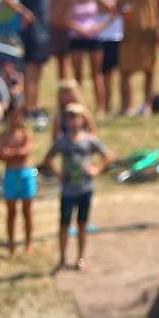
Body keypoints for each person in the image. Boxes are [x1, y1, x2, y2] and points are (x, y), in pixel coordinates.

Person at [43, 102, 110, 272]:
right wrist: (58, 174)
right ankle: (62, 260)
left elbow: (107, 155)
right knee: (64, 225)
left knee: (82, 224)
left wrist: (97, 169)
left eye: (76, 118)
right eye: (70, 118)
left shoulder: (89, 140)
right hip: (67, 190)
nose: (73, 122)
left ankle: (80, 259)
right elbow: (47, 159)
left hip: (84, 189)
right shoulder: (62, 141)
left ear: (82, 120)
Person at [3, 0, 54, 116]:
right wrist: (24, 12)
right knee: (30, 73)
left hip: (44, 34)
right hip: (32, 35)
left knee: (38, 74)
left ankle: (34, 106)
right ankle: (28, 108)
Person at [117, 0, 159, 115]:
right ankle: (126, 106)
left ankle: (147, 104)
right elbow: (118, 6)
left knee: (149, 70)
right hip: (129, 32)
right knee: (125, 71)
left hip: (148, 30)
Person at [64, 0, 106, 114]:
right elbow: (65, 19)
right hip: (76, 38)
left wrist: (100, 27)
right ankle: (79, 107)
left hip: (93, 38)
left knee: (96, 74)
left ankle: (101, 108)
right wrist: (78, 28)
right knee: (78, 76)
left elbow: (113, 10)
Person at [0, 104, 35, 257]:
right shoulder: (2, 136)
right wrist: (16, 153)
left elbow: (26, 151)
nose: (16, 119)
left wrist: (11, 152)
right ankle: (11, 244)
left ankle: (28, 243)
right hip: (11, 175)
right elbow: (2, 154)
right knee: (11, 212)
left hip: (25, 174)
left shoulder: (26, 133)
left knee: (27, 212)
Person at [93, 0, 122, 114]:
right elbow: (102, 8)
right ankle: (102, 105)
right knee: (102, 75)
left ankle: (112, 105)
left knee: (115, 74)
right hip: (101, 37)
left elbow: (118, 8)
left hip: (117, 36)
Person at [49, 0, 72, 81]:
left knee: (66, 63)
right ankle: (62, 89)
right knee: (57, 62)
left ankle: (69, 90)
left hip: (67, 29)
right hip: (53, 29)